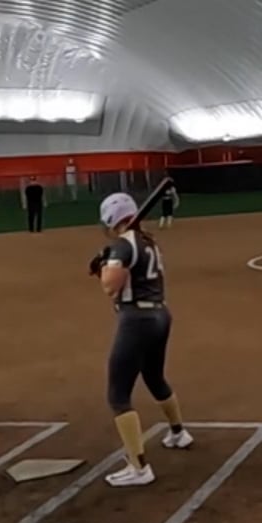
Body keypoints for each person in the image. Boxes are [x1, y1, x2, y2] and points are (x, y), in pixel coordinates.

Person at [87, 192, 192, 487]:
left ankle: (139, 467)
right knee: (154, 377)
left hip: (136, 320)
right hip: (159, 315)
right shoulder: (148, 242)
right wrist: (106, 261)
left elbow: (110, 286)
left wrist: (103, 266)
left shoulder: (123, 245)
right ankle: (178, 432)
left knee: (118, 395)